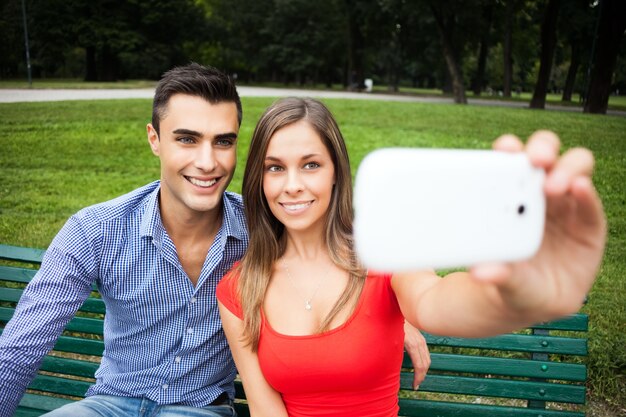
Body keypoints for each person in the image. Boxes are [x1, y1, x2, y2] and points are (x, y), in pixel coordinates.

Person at [0, 64, 429, 417]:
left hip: (203, 409)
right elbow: (19, 349)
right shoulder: (96, 230)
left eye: (222, 142)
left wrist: (401, 313)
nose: (207, 162)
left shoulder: (266, 224)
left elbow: (336, 245)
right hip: (109, 404)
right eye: (186, 139)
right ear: (154, 139)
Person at [216, 97, 606, 417]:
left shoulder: (386, 255)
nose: (293, 186)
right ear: (259, 178)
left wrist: (508, 296)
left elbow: (436, 302)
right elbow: (267, 411)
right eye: (275, 168)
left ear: (336, 173)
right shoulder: (239, 288)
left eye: (311, 165)